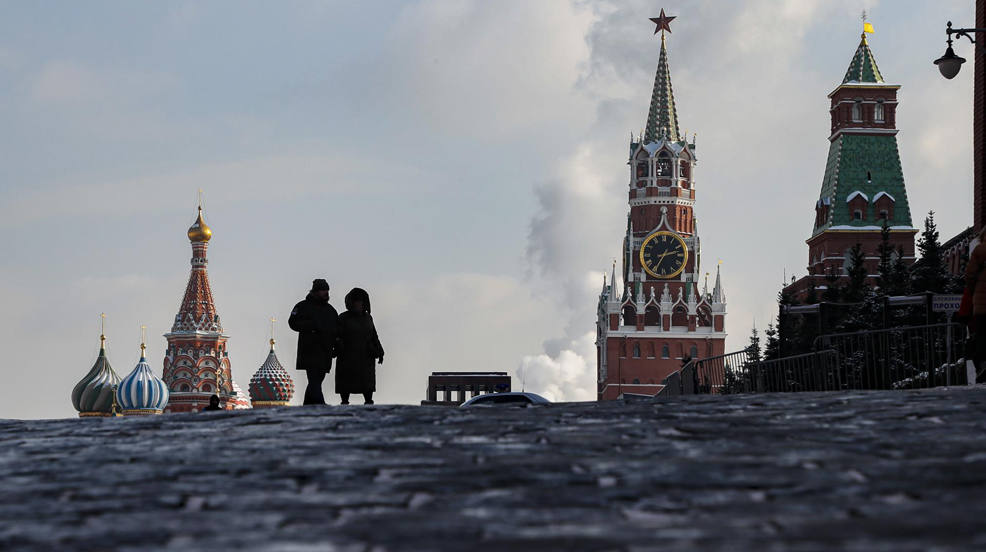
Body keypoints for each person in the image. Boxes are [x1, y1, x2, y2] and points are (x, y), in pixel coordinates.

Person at [289, 279, 339, 405]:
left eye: (327, 290)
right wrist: (311, 326)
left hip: (325, 352)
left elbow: (336, 331)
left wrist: (337, 346)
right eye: (323, 290)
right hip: (309, 350)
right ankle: (321, 404)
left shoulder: (330, 311)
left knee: (317, 380)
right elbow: (293, 323)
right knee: (314, 379)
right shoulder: (302, 306)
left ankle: (308, 405)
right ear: (316, 291)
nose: (326, 293)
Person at [335, 287, 384, 405]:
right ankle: (344, 401)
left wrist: (380, 351)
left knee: (367, 384)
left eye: (361, 301)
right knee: (346, 383)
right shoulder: (343, 318)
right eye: (356, 301)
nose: (359, 304)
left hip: (366, 357)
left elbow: (374, 335)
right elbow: (336, 335)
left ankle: (368, 401)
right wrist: (337, 348)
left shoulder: (368, 318)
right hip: (347, 357)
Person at [965, 227, 986, 382]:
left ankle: (982, 364)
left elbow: (970, 275)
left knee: (980, 334)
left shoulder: (979, 250)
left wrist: (974, 290)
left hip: (981, 304)